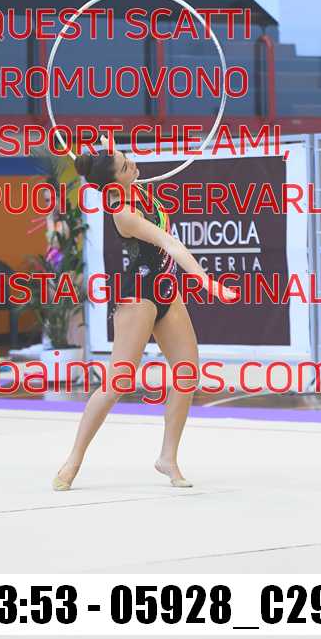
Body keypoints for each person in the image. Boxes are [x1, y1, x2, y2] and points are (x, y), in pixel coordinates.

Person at [52, 147, 236, 491]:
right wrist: (207, 281)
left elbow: (108, 162)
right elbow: (171, 244)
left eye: (127, 158)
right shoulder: (123, 212)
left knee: (187, 372)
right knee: (117, 383)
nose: (133, 164)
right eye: (125, 165)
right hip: (138, 295)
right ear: (113, 183)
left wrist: (106, 155)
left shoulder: (136, 189)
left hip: (166, 290)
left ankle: (168, 457)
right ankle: (73, 459)